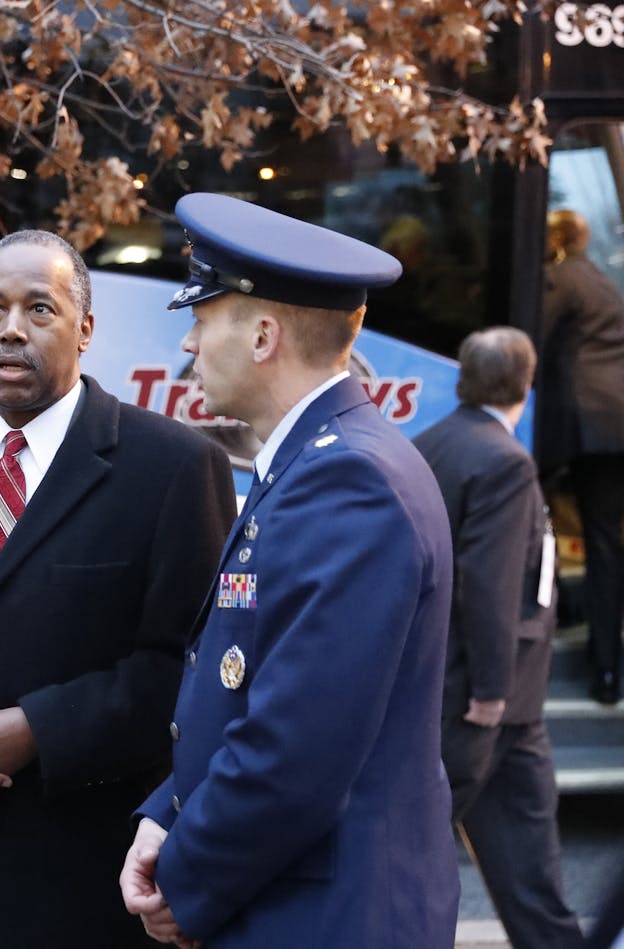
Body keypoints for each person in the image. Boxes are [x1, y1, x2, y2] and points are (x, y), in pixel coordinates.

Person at [0, 229, 237, 947]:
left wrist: (40, 727)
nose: (10, 330)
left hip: (85, 889)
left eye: (39, 309)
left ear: (85, 328)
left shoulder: (172, 469)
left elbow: (185, 671)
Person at [121, 193, 459, 948]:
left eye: (201, 321)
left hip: (323, 918)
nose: (187, 346)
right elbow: (250, 692)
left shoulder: (349, 482)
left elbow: (295, 749)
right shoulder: (320, 462)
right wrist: (168, 812)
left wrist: (189, 872)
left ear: (264, 334)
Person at [414, 326, 584, 948]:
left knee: (520, 866)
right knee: (421, 851)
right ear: (527, 383)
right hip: (489, 701)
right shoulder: (504, 460)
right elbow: (487, 586)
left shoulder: (430, 443)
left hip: (487, 698)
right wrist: (490, 691)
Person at [537, 208, 624, 705]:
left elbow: (529, 339)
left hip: (584, 426)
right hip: (612, 425)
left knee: (545, 530)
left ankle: (592, 659)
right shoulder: (597, 276)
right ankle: (606, 668)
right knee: (605, 542)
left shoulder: (559, 278)